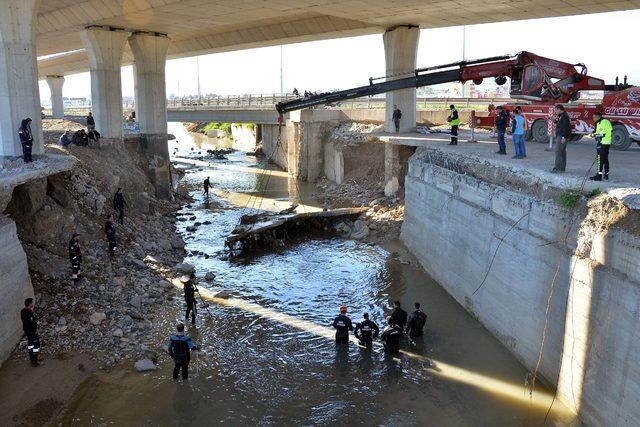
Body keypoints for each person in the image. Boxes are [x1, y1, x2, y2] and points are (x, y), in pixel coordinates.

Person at [590, 111, 612, 181]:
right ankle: (606, 175)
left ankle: (598, 176)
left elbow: (604, 134)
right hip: (605, 143)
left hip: (603, 143)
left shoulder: (603, 122)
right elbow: (599, 132)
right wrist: (594, 133)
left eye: (593, 117)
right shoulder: (601, 122)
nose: (593, 119)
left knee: (600, 159)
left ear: (597, 117)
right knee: (605, 159)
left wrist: (594, 135)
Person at [551, 104, 572, 173]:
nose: (555, 111)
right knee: (562, 152)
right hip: (561, 136)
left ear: (559, 109)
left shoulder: (564, 116)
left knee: (558, 151)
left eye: (555, 110)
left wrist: (564, 137)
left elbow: (566, 127)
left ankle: (557, 168)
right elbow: (561, 125)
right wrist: (555, 121)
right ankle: (562, 168)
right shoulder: (562, 116)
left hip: (561, 136)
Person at [21, 298, 41, 367]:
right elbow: (30, 323)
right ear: (29, 304)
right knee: (36, 346)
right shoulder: (28, 313)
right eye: (32, 302)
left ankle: (33, 359)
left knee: (31, 346)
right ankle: (35, 362)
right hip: (32, 333)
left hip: (29, 333)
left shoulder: (23, 311)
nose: (33, 303)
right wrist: (34, 331)